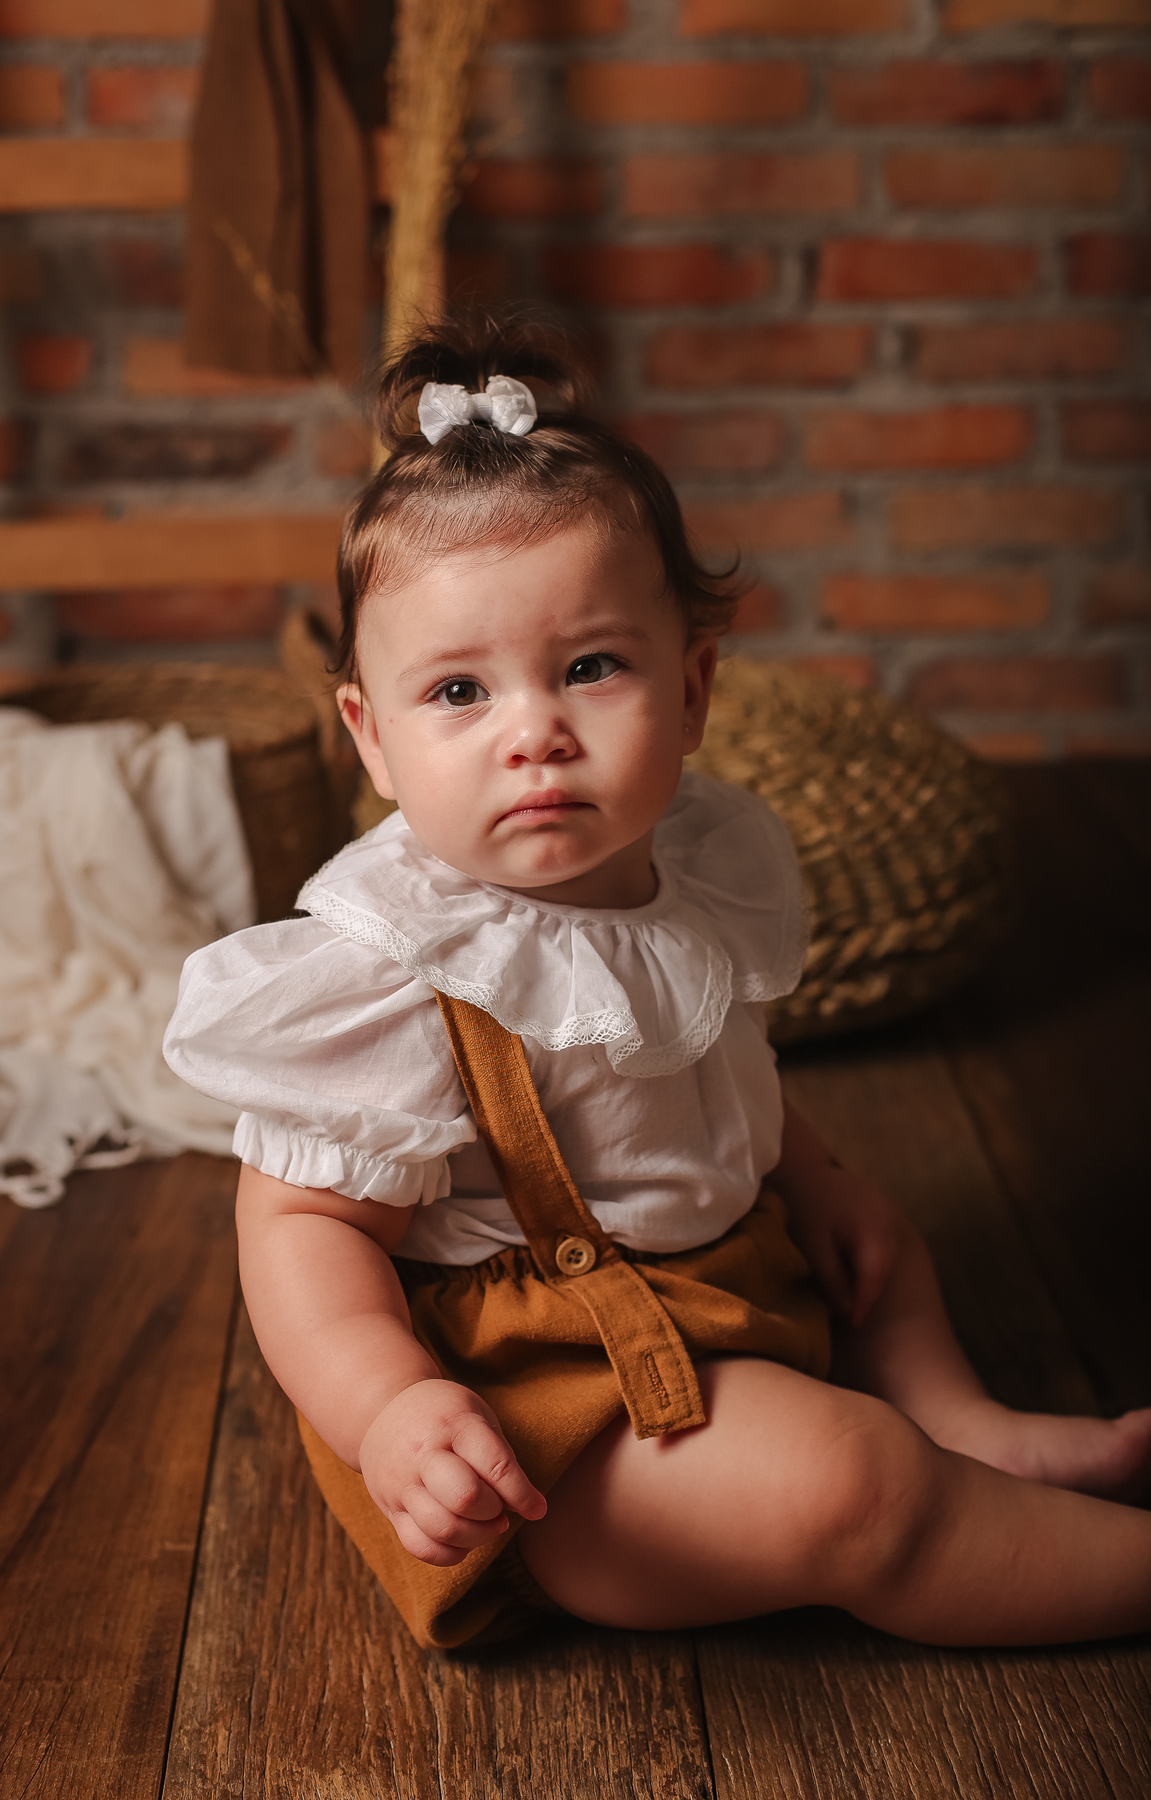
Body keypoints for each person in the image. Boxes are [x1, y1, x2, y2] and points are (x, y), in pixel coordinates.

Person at [164, 316, 1151, 1653]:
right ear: (371, 736)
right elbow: (299, 1231)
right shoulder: (393, 969)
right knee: (857, 1485)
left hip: (726, 1283)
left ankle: (970, 1428)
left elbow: (713, 1059)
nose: (535, 732)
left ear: (691, 691)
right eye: (458, 691)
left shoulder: (693, 865)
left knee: (888, 1249)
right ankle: (1002, 1526)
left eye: (590, 668)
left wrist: (814, 1180)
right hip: (555, 1421)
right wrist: (390, 1407)